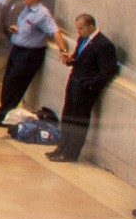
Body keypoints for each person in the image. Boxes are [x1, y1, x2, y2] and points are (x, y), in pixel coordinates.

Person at [47, 13, 122, 164]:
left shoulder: (103, 45)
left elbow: (107, 71)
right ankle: (62, 146)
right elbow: (79, 58)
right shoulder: (83, 39)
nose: (78, 32)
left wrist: (91, 85)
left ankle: (71, 152)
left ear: (91, 27)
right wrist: (70, 60)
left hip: (85, 87)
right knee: (67, 116)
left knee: (78, 120)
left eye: (81, 28)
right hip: (74, 82)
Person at [0, 0, 59, 125]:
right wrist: (18, 30)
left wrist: (64, 51)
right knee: (8, 83)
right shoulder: (26, 9)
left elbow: (54, 31)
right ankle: (3, 113)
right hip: (17, 49)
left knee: (15, 85)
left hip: (29, 54)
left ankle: (2, 117)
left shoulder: (42, 14)